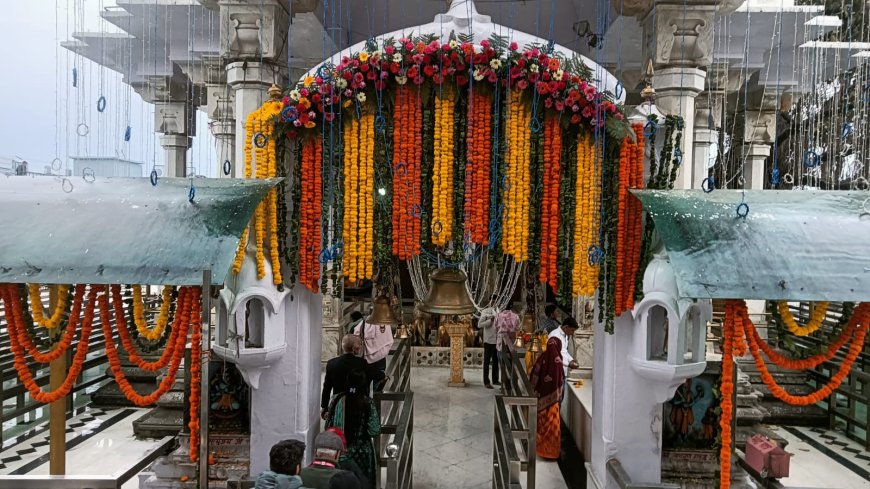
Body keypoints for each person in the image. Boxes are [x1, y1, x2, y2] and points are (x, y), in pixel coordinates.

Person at [326, 370, 381, 489]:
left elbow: (328, 426)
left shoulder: (336, 399)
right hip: (363, 453)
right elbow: (374, 430)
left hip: (340, 452)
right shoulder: (368, 403)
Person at [321, 336, 386, 420]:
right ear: (354, 348)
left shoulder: (331, 363)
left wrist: (324, 407)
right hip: (358, 405)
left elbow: (327, 387)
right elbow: (379, 375)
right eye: (359, 345)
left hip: (338, 406)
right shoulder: (362, 363)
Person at [530, 337, 566, 460]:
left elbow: (534, 376)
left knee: (541, 425)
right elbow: (560, 381)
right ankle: (550, 453)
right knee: (552, 427)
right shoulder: (557, 361)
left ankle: (541, 449)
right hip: (552, 402)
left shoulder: (542, 358)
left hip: (540, 400)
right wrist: (558, 395)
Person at [353, 314, 394, 393]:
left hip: (366, 358)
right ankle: (376, 393)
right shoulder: (384, 324)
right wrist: (383, 351)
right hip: (380, 358)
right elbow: (389, 340)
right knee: (379, 377)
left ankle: (365, 396)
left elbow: (356, 334)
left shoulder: (363, 323)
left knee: (365, 379)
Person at [478, 303, 499, 388]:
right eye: (493, 301)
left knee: (496, 361)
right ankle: (486, 382)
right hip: (488, 340)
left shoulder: (499, 311)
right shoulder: (485, 312)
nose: (495, 303)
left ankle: (495, 380)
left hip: (497, 340)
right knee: (487, 362)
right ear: (490, 302)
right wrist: (490, 321)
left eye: (497, 300)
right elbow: (479, 325)